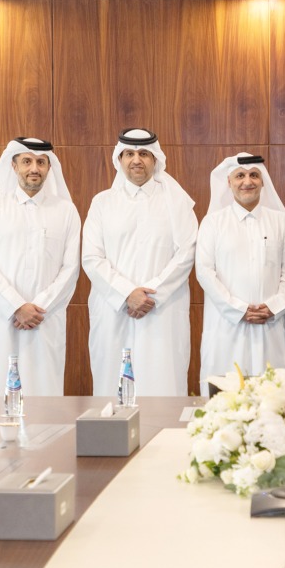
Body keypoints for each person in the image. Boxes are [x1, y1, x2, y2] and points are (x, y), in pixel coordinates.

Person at [82, 129, 197, 397]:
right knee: (112, 389)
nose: (137, 160)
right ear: (119, 159)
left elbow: (187, 253)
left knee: (162, 384)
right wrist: (127, 293)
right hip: (114, 310)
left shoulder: (177, 201)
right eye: (130, 154)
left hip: (161, 310)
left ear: (155, 159)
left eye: (144, 154)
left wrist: (150, 294)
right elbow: (91, 257)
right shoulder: (102, 202)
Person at [0, 137, 80, 396]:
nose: (34, 168)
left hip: (45, 319)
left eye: (41, 162)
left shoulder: (66, 211)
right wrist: (17, 306)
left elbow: (70, 268)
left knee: (43, 396)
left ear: (48, 167)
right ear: (14, 165)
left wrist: (37, 307)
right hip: (1, 319)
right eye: (27, 161)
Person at [195, 155, 285, 389]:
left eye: (254, 175)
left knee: (273, 399)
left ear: (263, 182)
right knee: (225, 402)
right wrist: (238, 309)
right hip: (226, 326)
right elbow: (204, 272)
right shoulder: (212, 223)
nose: (247, 181)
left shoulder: (281, 221)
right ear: (229, 182)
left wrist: (273, 307)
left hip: (270, 325)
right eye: (239, 175)